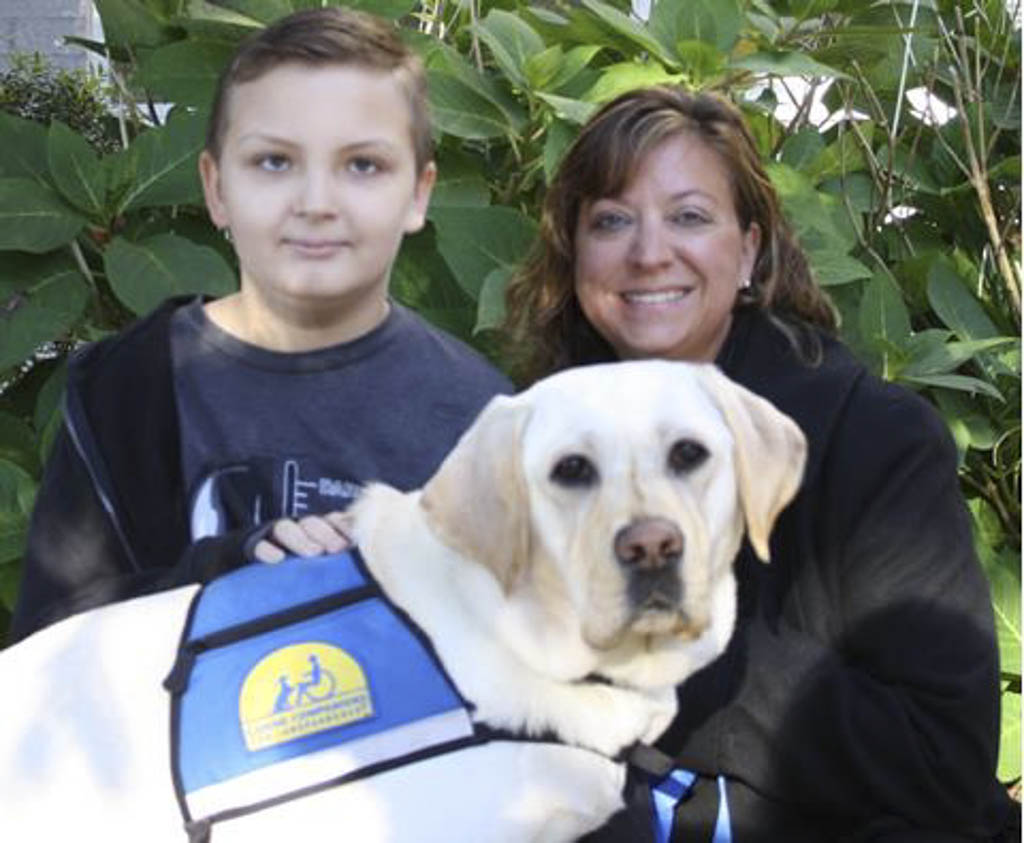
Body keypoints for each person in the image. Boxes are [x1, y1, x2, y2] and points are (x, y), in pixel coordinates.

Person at [503, 86, 1017, 840]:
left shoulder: (873, 441)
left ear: (748, 249)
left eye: (689, 216)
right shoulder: (530, 448)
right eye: (612, 220)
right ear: (575, 254)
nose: (649, 252)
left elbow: (941, 762)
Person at [9, 7, 511, 644]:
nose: (315, 203)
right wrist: (232, 571)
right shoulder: (127, 389)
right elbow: (51, 648)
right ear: (216, 188)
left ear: (418, 193)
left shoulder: (480, 417)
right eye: (274, 162)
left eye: (363, 165)